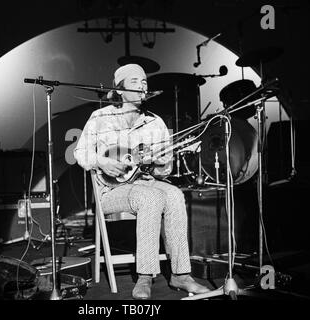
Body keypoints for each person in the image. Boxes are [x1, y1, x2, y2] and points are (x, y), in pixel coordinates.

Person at [73, 64, 211, 299]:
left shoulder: (154, 122)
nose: (142, 86)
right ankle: (145, 275)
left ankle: (181, 273)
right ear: (120, 90)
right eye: (135, 82)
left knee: (175, 194)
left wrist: (161, 162)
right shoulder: (100, 117)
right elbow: (80, 153)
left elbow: (164, 171)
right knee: (151, 197)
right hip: (110, 190)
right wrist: (102, 162)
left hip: (146, 182)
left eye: (144, 82)